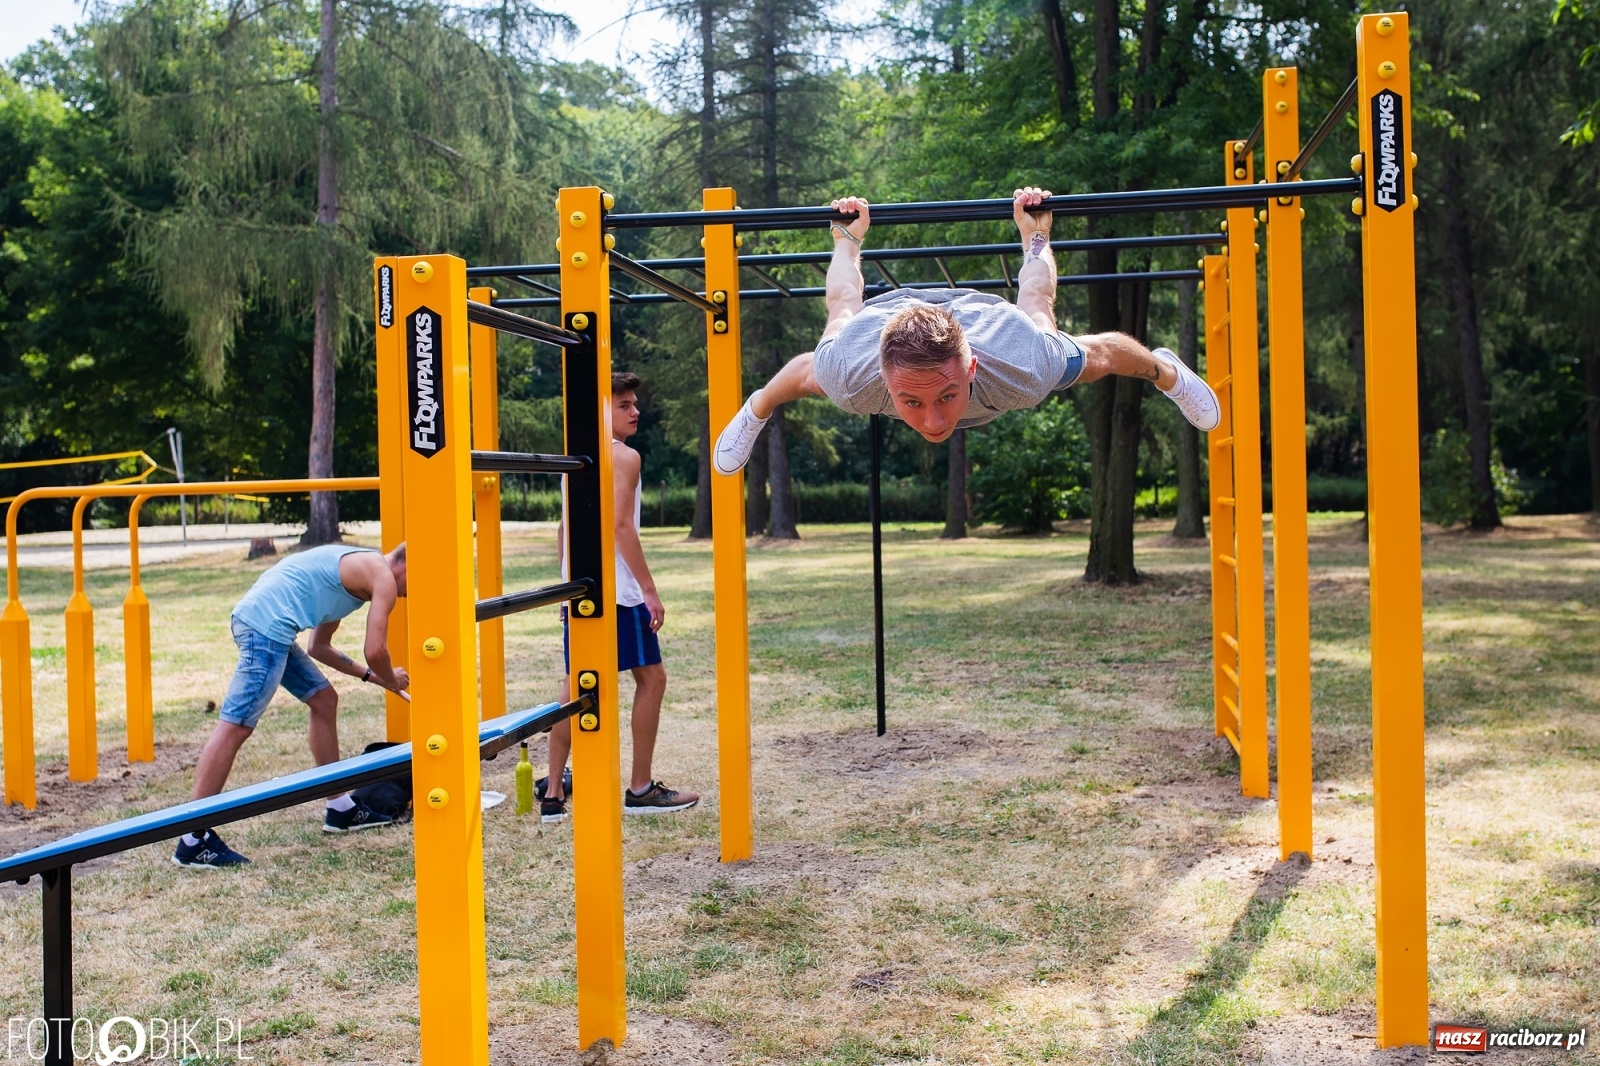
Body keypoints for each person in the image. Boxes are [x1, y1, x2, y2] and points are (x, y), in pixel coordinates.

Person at [714, 187, 1221, 474]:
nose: (934, 422)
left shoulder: (1022, 363)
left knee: (1072, 334)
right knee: (831, 330)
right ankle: (756, 404)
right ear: (888, 384)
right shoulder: (853, 373)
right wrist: (847, 239)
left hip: (990, 326)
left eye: (946, 395)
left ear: (971, 367)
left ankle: (1165, 370)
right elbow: (839, 312)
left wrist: (1037, 232)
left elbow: (1039, 297)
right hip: (883, 329)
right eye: (911, 401)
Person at [172, 543, 411, 868]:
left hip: (266, 625)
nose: (412, 594)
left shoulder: (359, 573)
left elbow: (319, 647)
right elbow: (376, 651)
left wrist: (378, 680)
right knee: (236, 726)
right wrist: (390, 679)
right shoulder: (382, 577)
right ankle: (192, 838)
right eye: (418, 584)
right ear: (408, 567)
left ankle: (340, 808)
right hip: (266, 629)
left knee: (324, 700)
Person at [540, 372, 699, 824]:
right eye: (624, 404)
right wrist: (649, 590)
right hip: (619, 594)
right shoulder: (624, 457)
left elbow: (563, 529)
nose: (635, 411)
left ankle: (553, 793)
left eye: (634, 403)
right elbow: (621, 527)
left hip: (583, 589)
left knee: (575, 685)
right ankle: (641, 789)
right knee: (652, 679)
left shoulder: (576, 458)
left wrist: (564, 585)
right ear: (602, 410)